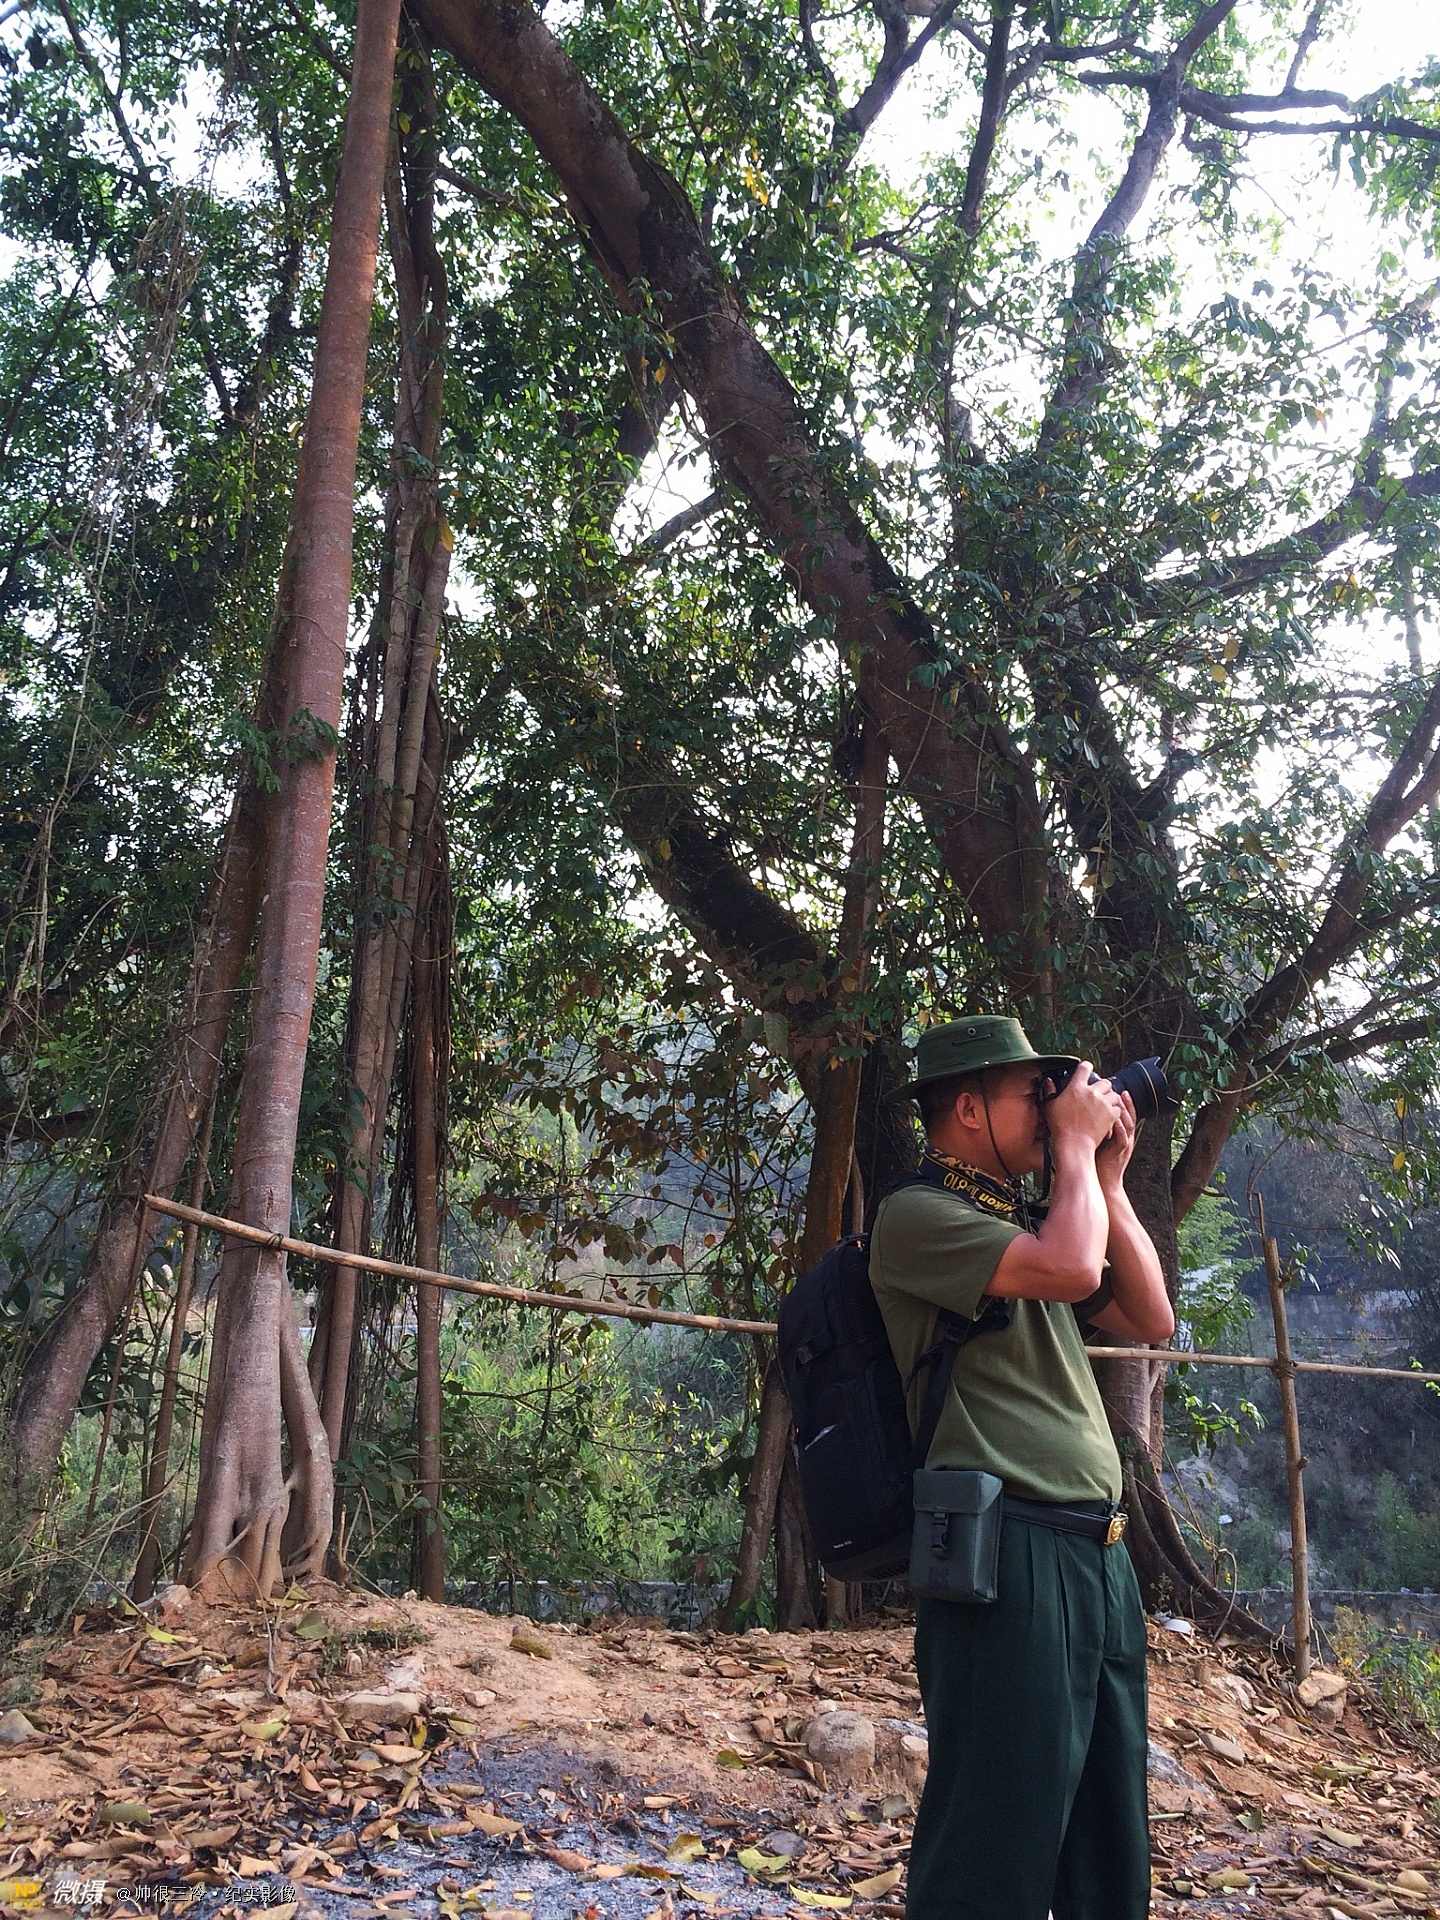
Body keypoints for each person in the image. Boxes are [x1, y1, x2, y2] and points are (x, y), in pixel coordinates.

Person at [870, 1015, 1175, 1920]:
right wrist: (1075, 1151)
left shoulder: (1035, 1220)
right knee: (994, 1847)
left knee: (1107, 1848)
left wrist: (1106, 1178)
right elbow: (1074, 1269)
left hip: (1098, 1558)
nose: (1051, 1112)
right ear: (968, 1109)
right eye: (1031, 1096)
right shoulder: (916, 1216)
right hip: (1008, 1556)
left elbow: (1150, 1317)